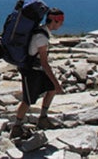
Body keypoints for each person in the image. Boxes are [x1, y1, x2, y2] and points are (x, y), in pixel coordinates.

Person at [10, 8, 65, 139]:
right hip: (31, 71)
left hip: (37, 69)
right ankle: (16, 128)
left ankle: (43, 118)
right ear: (55, 21)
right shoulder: (41, 37)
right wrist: (57, 84)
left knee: (50, 90)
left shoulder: (42, 31)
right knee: (27, 100)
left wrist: (54, 85)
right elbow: (45, 63)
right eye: (60, 22)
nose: (61, 24)